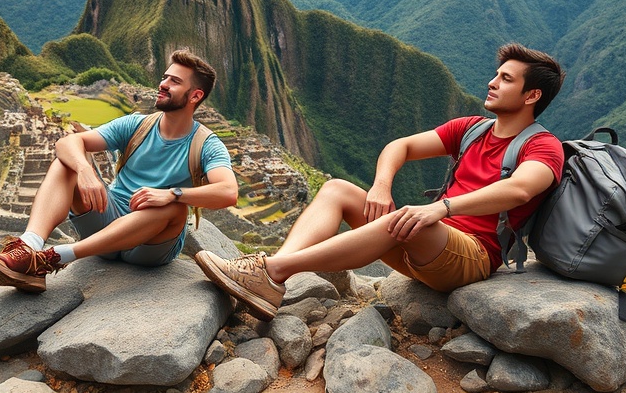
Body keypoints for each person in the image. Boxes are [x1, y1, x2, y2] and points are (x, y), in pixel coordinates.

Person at [195, 43, 565, 321]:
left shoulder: (542, 146)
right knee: (338, 189)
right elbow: (400, 146)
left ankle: (273, 270)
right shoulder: (472, 129)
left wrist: (442, 207)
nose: (491, 82)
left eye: (506, 79)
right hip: (425, 242)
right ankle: (270, 280)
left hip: (471, 255)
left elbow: (520, 188)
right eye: (496, 74)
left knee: (403, 216)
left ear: (532, 95)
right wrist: (381, 184)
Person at [0, 50, 238, 292]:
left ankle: (52, 258)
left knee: (175, 209)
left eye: (175, 82)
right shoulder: (137, 125)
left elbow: (228, 191)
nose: (163, 84)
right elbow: (67, 143)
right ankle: (29, 246)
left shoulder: (206, 144)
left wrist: (173, 194)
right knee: (67, 163)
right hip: (106, 223)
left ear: (195, 96)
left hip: (150, 243)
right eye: (165, 77)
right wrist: (85, 170)